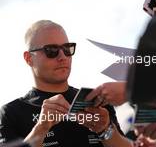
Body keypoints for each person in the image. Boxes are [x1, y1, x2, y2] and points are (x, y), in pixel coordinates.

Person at [0, 20, 133, 147]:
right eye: (51, 50)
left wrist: (106, 130)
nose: (62, 56)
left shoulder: (95, 101)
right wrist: (41, 128)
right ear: (29, 58)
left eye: (67, 49)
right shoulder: (11, 113)